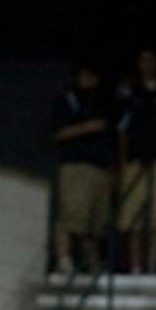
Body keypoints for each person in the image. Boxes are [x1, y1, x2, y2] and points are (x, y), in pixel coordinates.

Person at [116, 48, 156, 275]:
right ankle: (135, 265)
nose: (147, 64)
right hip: (135, 162)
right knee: (133, 218)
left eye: (151, 59)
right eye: (142, 59)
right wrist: (124, 163)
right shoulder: (130, 92)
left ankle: (152, 266)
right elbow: (122, 131)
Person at [51, 59, 113, 277]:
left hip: (99, 168)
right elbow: (57, 133)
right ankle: (64, 257)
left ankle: (93, 262)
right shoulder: (67, 100)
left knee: (93, 221)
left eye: (92, 76)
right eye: (84, 76)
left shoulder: (102, 102)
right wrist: (86, 128)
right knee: (70, 214)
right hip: (75, 165)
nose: (88, 80)